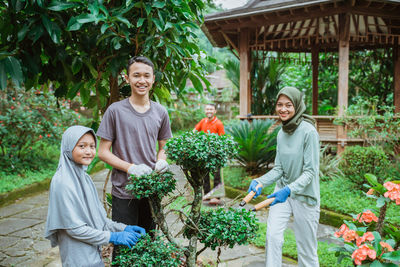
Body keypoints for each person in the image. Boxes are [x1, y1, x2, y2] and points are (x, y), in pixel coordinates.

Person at [96, 56, 172, 259]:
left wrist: (162, 160)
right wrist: (131, 168)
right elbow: (102, 152)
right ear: (127, 78)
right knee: (125, 249)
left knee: (149, 245)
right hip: (124, 192)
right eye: (136, 75)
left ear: (153, 79)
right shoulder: (115, 111)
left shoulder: (160, 112)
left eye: (147, 75)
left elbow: (165, 146)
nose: (142, 80)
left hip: (151, 190)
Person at [45, 125, 146, 266]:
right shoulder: (62, 182)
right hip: (78, 259)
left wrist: (123, 228)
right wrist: (113, 237)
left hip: (94, 256)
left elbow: (98, 220)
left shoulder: (84, 177)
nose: (88, 151)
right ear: (68, 147)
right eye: (82, 146)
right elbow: (74, 229)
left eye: (92, 146)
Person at [247, 87, 320, 267]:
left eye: (288, 105)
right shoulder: (281, 132)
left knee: (306, 249)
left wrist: (289, 190)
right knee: (272, 237)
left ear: (297, 106)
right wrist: (260, 182)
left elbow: (310, 172)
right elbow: (279, 168)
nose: (283, 109)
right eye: (279, 105)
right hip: (282, 191)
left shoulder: (308, 132)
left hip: (304, 195)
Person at [193, 103, 225, 204]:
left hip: (215, 154)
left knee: (216, 176)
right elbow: (194, 131)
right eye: (207, 109)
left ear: (215, 111)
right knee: (205, 175)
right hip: (204, 154)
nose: (209, 111)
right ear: (205, 111)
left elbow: (223, 139)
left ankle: (217, 197)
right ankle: (207, 195)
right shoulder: (203, 121)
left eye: (211, 109)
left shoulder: (218, 123)